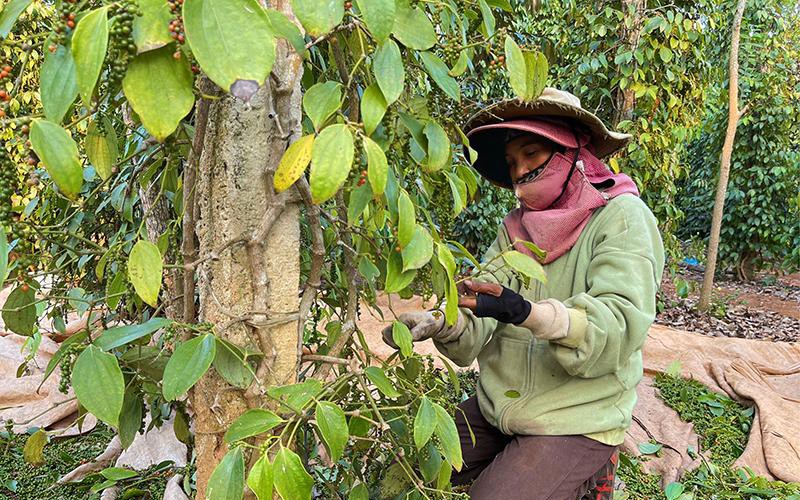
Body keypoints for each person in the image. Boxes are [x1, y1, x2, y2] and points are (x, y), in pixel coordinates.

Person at [382, 88, 665, 499]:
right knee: (407, 475)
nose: (520, 172)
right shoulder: (515, 228)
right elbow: (482, 313)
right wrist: (443, 322)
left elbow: (618, 327)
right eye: (513, 162)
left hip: (576, 415)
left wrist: (528, 313)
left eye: (532, 154)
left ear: (571, 151)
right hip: (500, 406)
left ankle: (591, 474)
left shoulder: (622, 218)